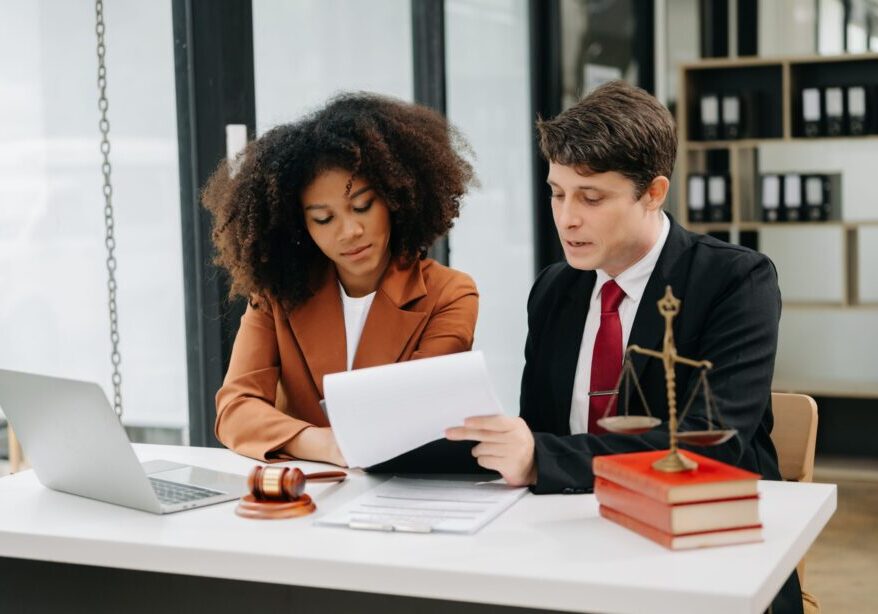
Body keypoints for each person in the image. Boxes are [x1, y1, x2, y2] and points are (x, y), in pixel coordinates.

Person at [445, 81, 802, 612]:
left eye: (591, 198)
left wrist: (541, 458)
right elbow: (540, 427)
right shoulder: (554, 289)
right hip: (571, 540)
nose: (567, 218)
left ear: (653, 193)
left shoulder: (735, 281)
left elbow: (710, 447)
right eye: (556, 192)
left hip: (703, 548)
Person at [203, 92, 478, 467]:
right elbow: (235, 410)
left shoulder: (449, 295)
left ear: (395, 199)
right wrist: (323, 444)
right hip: (302, 497)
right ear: (300, 225)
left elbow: (413, 420)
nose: (349, 231)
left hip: (399, 497)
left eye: (362, 206)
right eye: (323, 218)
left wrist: (307, 438)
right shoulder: (277, 295)